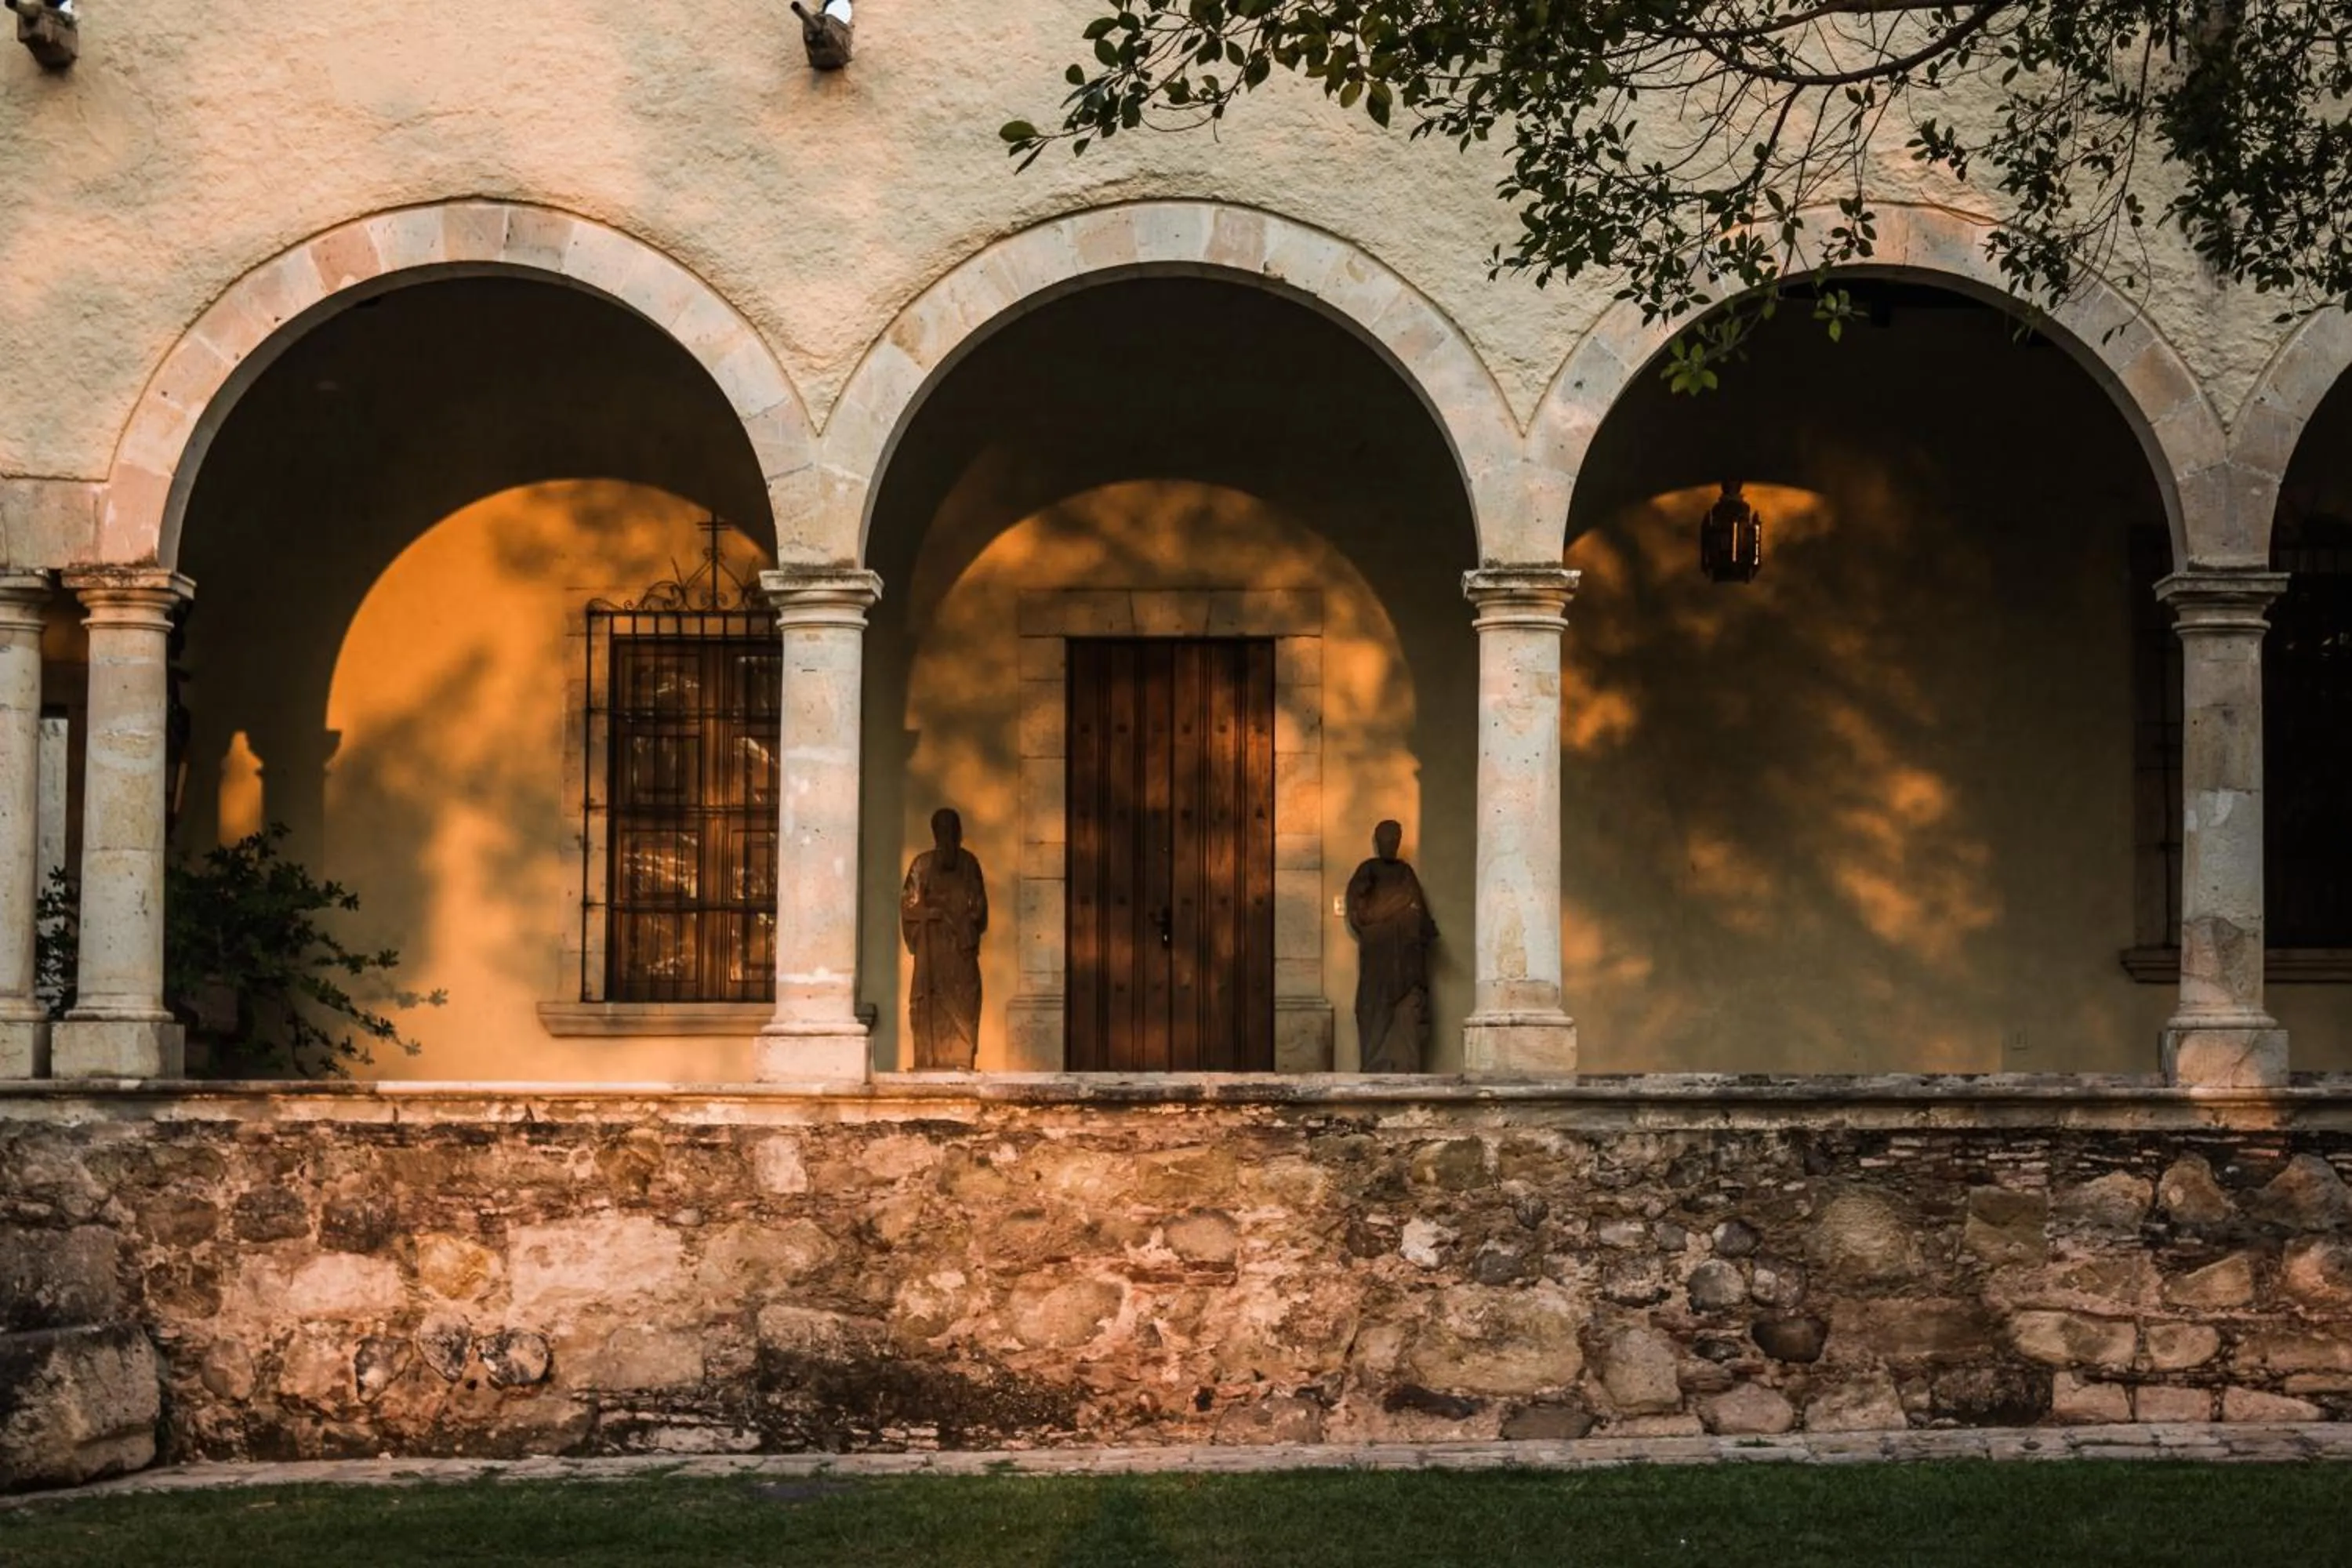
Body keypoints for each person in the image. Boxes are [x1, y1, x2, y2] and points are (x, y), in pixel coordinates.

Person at [1345, 820, 1438, 1073]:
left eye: (1395, 840)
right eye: (1386, 840)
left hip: (1408, 960)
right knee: (1376, 1011)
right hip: (1379, 958)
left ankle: (1406, 1067)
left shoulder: (1405, 873)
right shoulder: (1367, 871)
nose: (1391, 845)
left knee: (1407, 1015)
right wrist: (1398, 903)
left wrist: (1418, 925)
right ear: (1377, 842)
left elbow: (1422, 917)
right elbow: (1361, 914)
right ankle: (1377, 1065)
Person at [901, 808, 987, 1070]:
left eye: (953, 831)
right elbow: (909, 906)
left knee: (967, 998)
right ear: (935, 835)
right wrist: (931, 913)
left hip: (961, 949)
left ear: (959, 834)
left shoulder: (969, 863)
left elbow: (979, 906)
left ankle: (962, 1057)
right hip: (933, 951)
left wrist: (963, 922)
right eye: (943, 831)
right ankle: (929, 1057)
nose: (948, 837)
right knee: (927, 1000)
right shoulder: (922, 865)